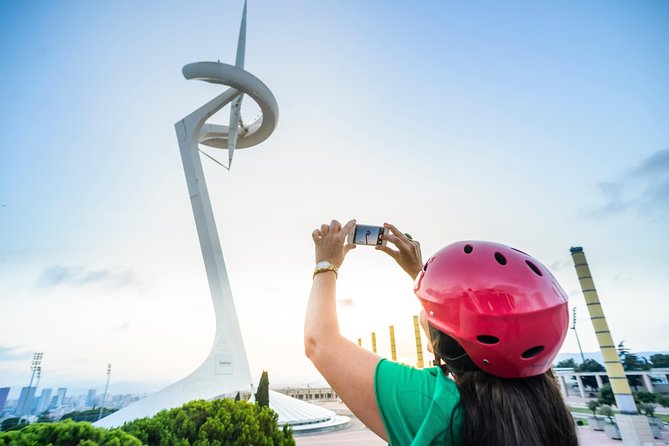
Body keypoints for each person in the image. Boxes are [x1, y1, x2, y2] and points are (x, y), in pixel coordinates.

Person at [304, 219, 578, 446]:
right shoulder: (550, 409)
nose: (426, 312)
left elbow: (319, 342)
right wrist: (420, 273)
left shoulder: (435, 406)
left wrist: (326, 263)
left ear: (447, 343)